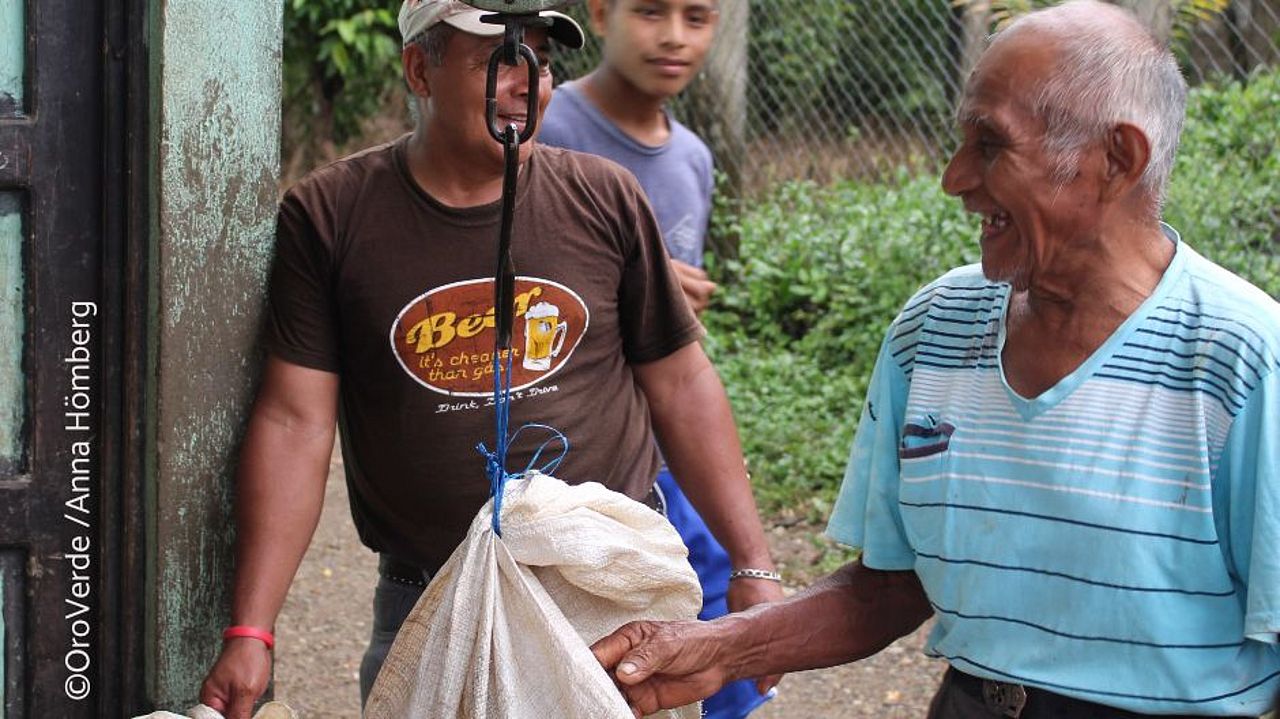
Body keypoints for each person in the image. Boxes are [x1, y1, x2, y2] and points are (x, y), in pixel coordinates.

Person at [591, 2, 1280, 717]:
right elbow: (889, 584)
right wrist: (716, 647)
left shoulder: (1242, 363)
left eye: (989, 144)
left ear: (1116, 160)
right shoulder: (936, 329)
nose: (953, 178)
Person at [196, 1, 782, 717]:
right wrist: (253, 626)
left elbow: (683, 381)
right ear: (419, 69)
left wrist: (752, 563)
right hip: (429, 598)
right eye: (497, 60)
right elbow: (294, 422)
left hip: (608, 596)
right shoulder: (331, 215)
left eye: (540, 59)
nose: (526, 83)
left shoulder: (604, 199)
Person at [538, 2, 775, 717]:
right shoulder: (548, 128)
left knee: (709, 602)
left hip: (667, 445)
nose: (674, 36)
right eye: (650, 12)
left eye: (697, 17)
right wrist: (640, 273)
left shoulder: (693, 157)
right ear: (601, 15)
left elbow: (675, 346)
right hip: (574, 448)